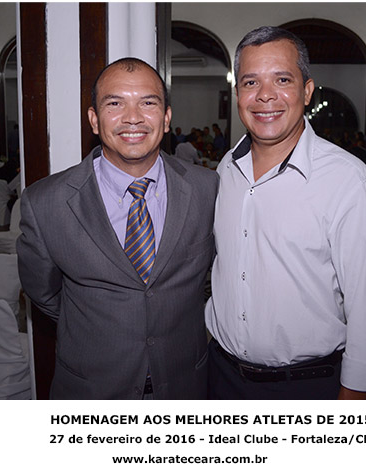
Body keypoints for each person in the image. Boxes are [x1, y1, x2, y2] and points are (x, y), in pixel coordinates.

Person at [205, 26, 366, 400]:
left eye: (282, 80)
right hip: (220, 377)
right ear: (238, 93)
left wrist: (353, 400)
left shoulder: (348, 181)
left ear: (306, 91)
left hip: (306, 386)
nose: (265, 96)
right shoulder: (226, 169)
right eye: (251, 82)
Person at [17, 57, 218, 400]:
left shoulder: (207, 189)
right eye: (115, 104)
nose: (133, 117)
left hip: (187, 386)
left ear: (166, 118)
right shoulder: (45, 203)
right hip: (91, 392)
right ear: (94, 120)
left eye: (148, 103)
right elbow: (44, 293)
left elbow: (213, 280)